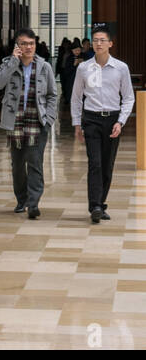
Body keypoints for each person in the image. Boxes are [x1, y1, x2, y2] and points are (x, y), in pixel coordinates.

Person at [0, 28, 58, 219]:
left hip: (37, 120)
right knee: (18, 165)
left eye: (31, 44)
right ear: (17, 46)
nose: (28, 47)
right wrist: (13, 62)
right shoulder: (8, 63)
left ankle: (33, 203)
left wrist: (49, 118)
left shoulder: (44, 66)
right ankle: (22, 199)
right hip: (15, 121)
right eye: (24, 44)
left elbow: (52, 95)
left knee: (35, 162)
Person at [71, 27, 135, 224]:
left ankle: (101, 202)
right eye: (95, 40)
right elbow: (76, 98)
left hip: (112, 119)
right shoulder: (83, 68)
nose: (98, 43)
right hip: (91, 120)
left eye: (102, 40)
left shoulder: (121, 68)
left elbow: (128, 98)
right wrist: (76, 124)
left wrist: (120, 122)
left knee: (107, 166)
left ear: (110, 43)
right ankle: (95, 206)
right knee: (95, 163)